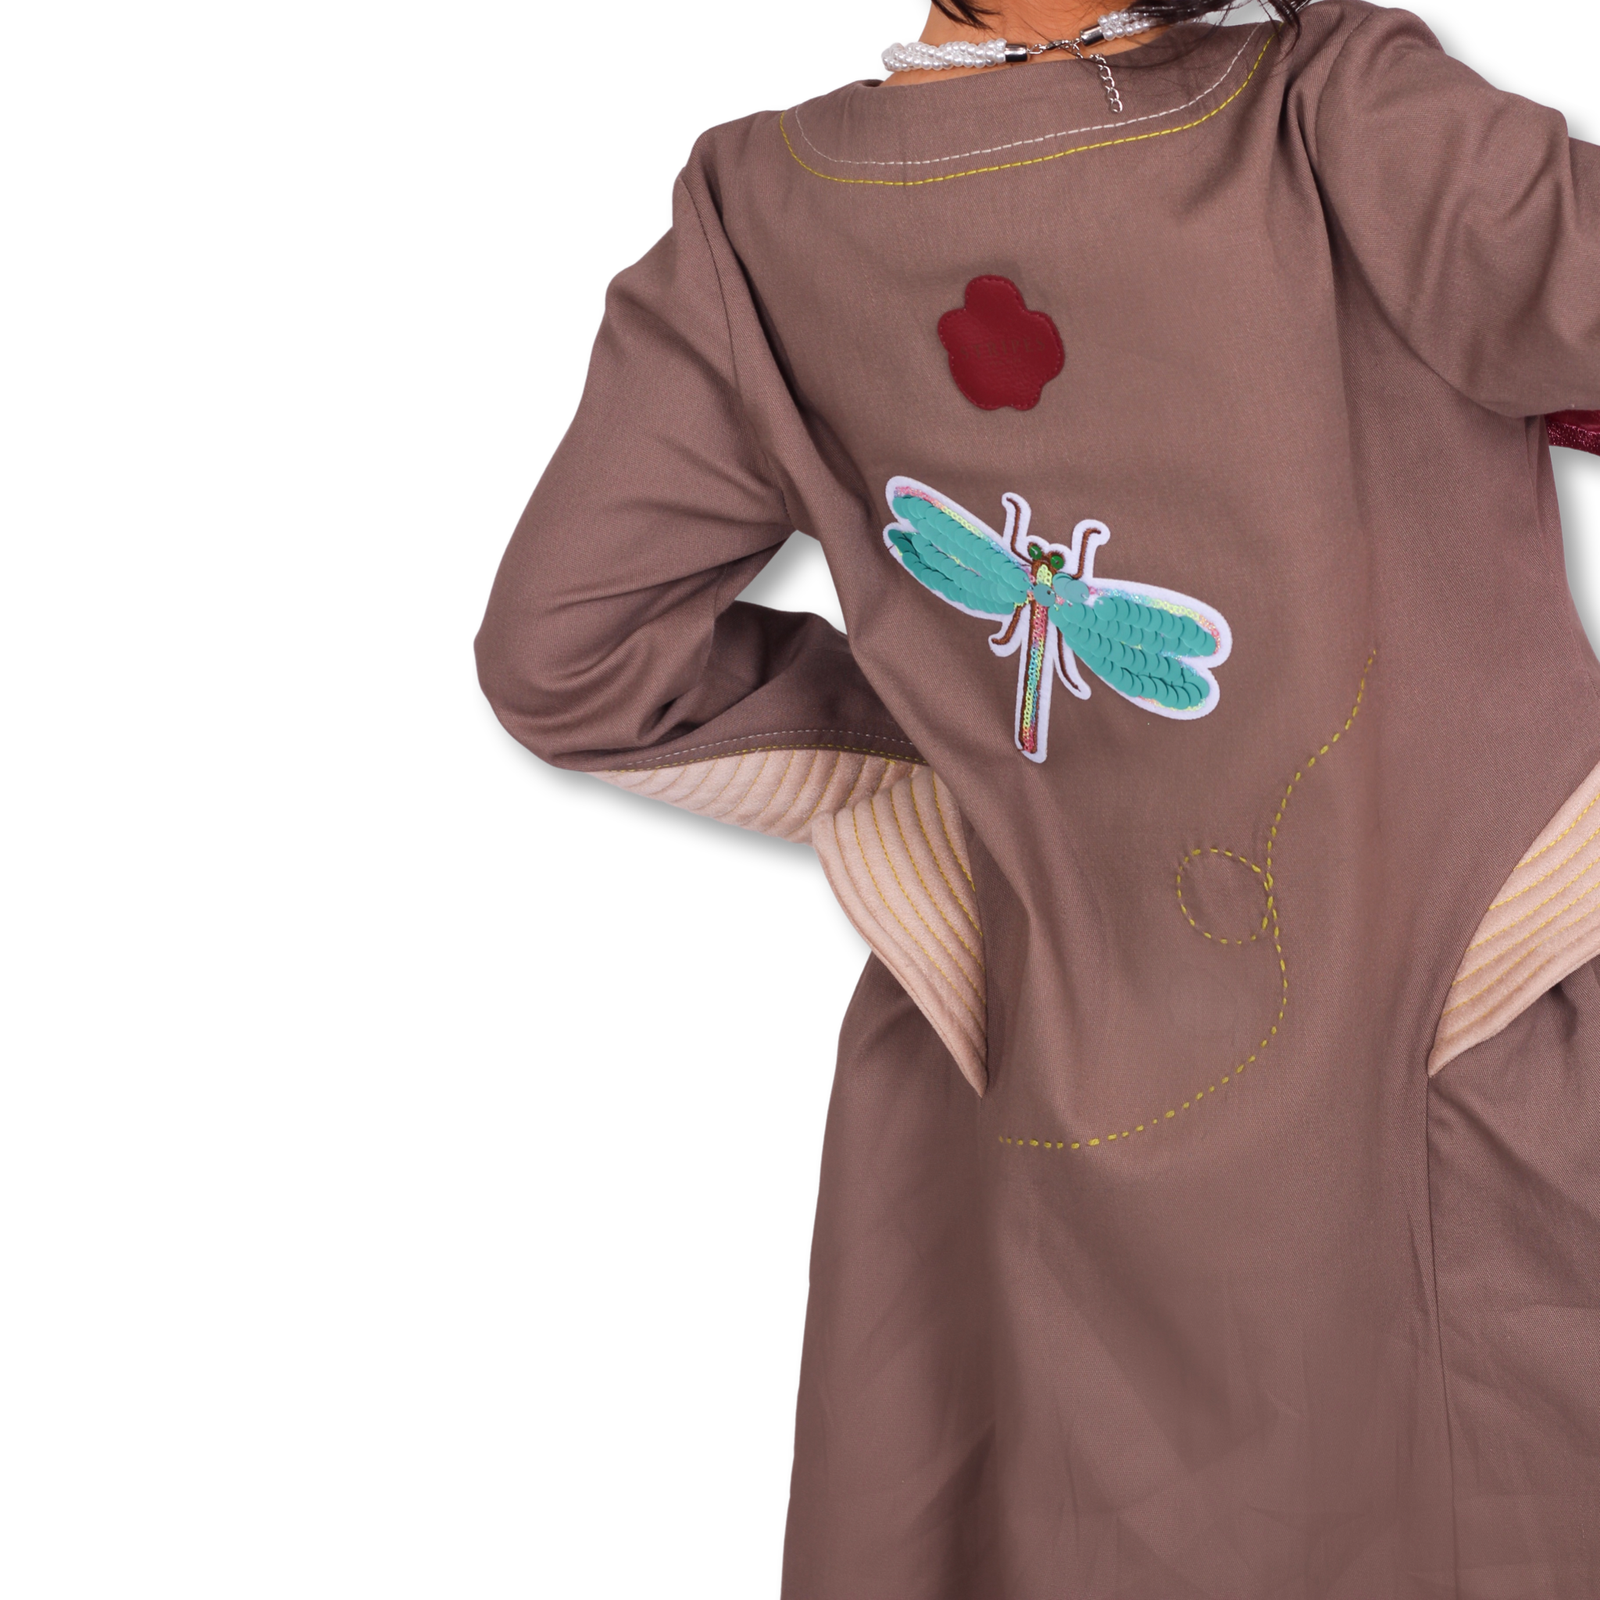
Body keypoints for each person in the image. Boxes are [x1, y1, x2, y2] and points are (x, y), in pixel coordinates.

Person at [476, 2, 1600, 1592]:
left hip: (1027, 1067)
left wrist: (932, 776)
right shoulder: (1342, 117)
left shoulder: (763, 215)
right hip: (1467, 1040)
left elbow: (563, 653)